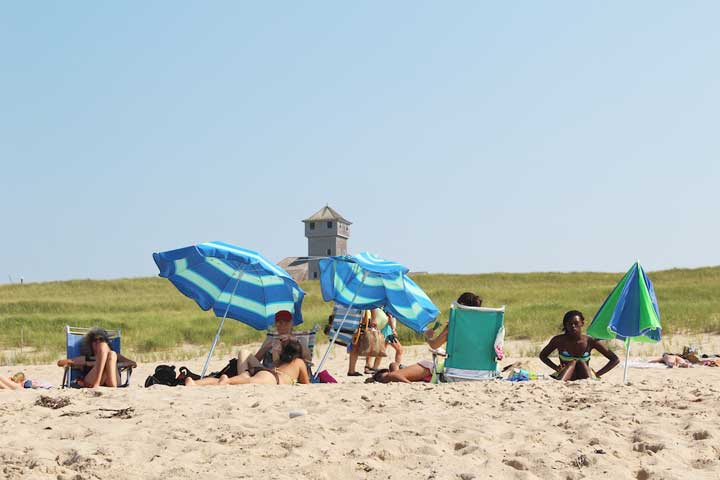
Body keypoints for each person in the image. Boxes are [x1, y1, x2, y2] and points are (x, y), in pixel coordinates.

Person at [539, 310, 619, 381]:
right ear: (565, 325)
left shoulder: (590, 341)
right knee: (572, 362)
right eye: (569, 324)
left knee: (581, 362)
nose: (573, 326)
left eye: (576, 323)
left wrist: (598, 374)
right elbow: (543, 355)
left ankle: (589, 380)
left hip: (585, 375)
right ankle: (560, 382)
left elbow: (615, 359)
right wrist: (555, 367)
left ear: (582, 323)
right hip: (566, 375)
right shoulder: (559, 340)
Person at [187, 340, 309, 386]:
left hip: (262, 371)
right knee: (245, 382)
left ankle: (194, 383)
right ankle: (227, 380)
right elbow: (306, 383)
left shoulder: (279, 361)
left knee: (229, 380)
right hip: (271, 377)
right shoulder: (298, 362)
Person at [56, 327, 136, 388]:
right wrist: (88, 363)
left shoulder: (115, 355)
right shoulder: (88, 357)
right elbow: (60, 363)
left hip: (111, 382)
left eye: (101, 339)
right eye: (95, 340)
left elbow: (133, 364)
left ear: (107, 342)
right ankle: (97, 382)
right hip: (91, 381)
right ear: (90, 344)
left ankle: (109, 387)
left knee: (111, 354)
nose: (98, 342)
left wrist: (116, 364)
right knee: (109, 353)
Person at [366, 360, 434, 384]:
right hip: (425, 366)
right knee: (393, 365)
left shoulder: (391, 375)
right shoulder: (392, 374)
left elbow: (408, 383)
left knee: (393, 366)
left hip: (428, 367)